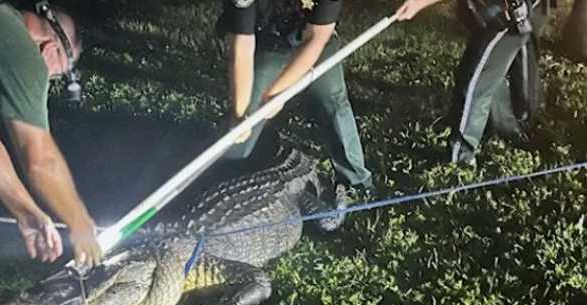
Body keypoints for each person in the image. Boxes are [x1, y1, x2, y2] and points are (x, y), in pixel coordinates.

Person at [217, 0, 375, 218]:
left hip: (311, 37)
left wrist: (278, 94)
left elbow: (317, 38)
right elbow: (242, 47)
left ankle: (355, 181)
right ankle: (226, 173)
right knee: (246, 114)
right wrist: (239, 113)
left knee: (332, 98)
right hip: (266, 38)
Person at [0, 0, 102, 267]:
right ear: (52, 49)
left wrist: (27, 212)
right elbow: (40, 160)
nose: (46, 80)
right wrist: (79, 221)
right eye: (55, 76)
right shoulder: (24, 54)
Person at [395, 0, 546, 167]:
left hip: (506, 16)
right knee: (488, 73)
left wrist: (419, 3)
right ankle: (509, 131)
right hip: (501, 12)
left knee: (474, 85)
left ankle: (460, 160)